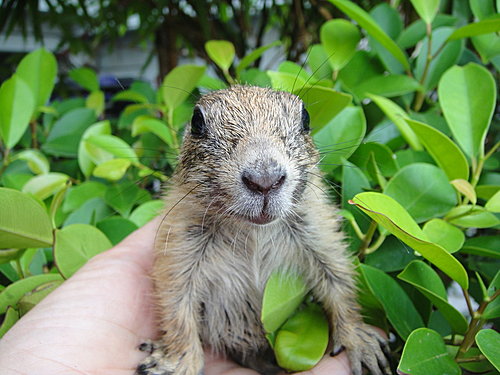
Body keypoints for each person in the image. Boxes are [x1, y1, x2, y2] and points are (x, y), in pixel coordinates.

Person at [0, 216, 351, 375]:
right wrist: (183, 351)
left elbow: (331, 268)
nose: (264, 172)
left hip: (292, 337)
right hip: (222, 346)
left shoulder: (308, 208)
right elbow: (176, 287)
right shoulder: (188, 218)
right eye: (201, 127)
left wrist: (350, 325)